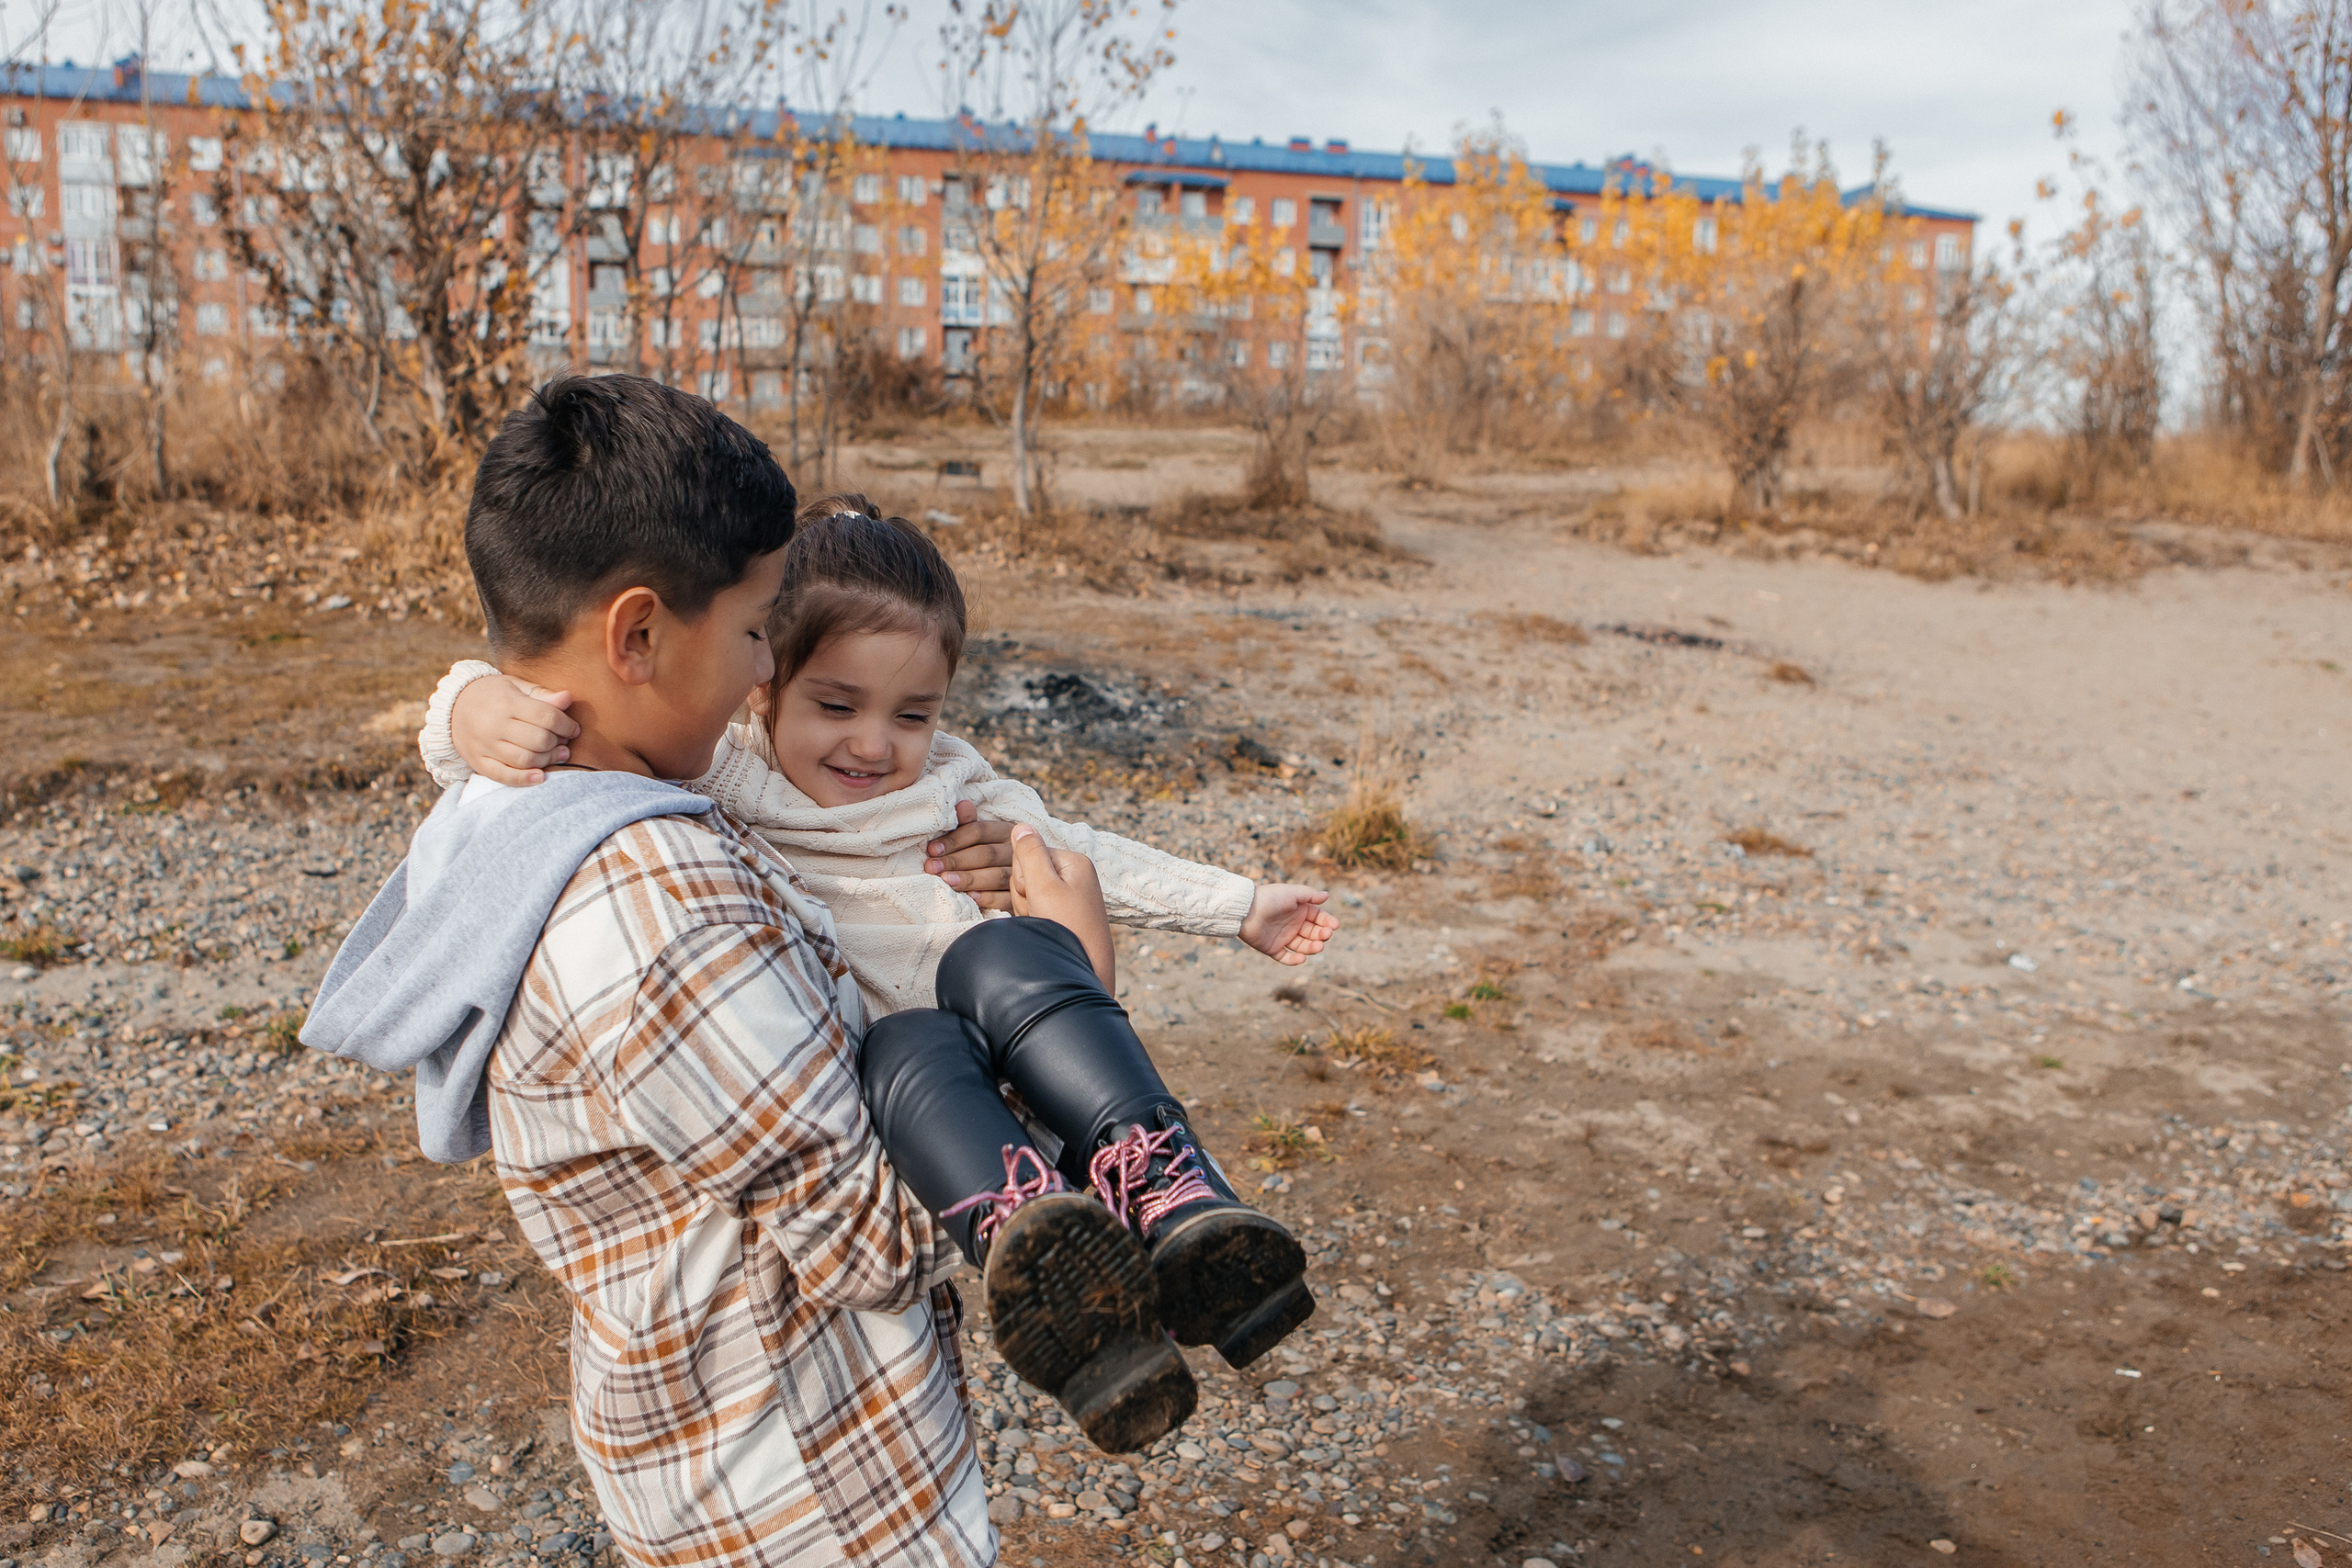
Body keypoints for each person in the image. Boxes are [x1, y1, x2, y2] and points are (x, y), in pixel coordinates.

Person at [299, 375, 1195, 1568]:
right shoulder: (661, 906)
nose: (764, 666)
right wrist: (1074, 987)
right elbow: (876, 1233)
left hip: (698, 1430)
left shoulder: (525, 801)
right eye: (757, 628)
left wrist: (466, 701)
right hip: (806, 1486)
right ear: (637, 635)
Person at [418, 497, 1331, 1371]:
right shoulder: (731, 770)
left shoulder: (950, 793)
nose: (874, 745)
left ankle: (1178, 1201)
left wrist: (1237, 906)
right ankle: (1063, 1282)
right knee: (904, 1042)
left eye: (913, 714)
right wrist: (472, 709)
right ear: (763, 683)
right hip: (914, 1097)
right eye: (837, 705)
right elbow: (534, 711)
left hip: (1021, 1037)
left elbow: (1082, 858)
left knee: (999, 950)